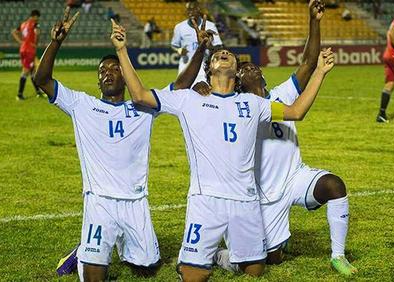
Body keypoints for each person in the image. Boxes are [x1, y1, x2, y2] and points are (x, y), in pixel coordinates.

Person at [111, 17, 334, 281]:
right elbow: (139, 95)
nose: (224, 53)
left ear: (237, 69)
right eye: (218, 55)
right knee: (196, 277)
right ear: (209, 70)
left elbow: (296, 112)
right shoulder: (189, 99)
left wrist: (319, 72)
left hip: (246, 201)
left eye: (228, 54)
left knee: (255, 271)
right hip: (206, 202)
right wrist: (122, 50)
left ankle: (222, 256)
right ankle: (193, 263)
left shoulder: (253, 104)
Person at [52, 10, 210, 279]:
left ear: (126, 77)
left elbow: (182, 84)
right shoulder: (82, 105)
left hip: (136, 201)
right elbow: (42, 81)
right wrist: (56, 42)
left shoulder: (142, 108)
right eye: (103, 70)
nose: (109, 73)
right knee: (94, 279)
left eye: (115, 69)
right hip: (99, 201)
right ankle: (85, 251)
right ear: (98, 79)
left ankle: (112, 246)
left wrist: (200, 49)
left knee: (147, 268)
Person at [210, 0, 357, 277]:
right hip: (263, 194)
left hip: (294, 177)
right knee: (266, 261)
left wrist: (314, 21)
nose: (248, 69)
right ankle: (222, 255)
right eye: (242, 71)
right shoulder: (239, 109)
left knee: (334, 185)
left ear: (262, 74)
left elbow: (308, 62)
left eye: (252, 67)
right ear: (239, 84)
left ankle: (338, 256)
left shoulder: (280, 94)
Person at [171, 0, 222, 84]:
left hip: (204, 67)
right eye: (188, 10)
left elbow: (219, 47)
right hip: (185, 67)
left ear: (198, 10)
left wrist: (209, 46)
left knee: (205, 94)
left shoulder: (210, 26)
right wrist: (179, 50)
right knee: (183, 94)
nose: (190, 12)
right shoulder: (179, 27)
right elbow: (174, 45)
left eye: (193, 9)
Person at [11, 9, 43, 100]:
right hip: (29, 50)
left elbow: (14, 32)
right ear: (35, 16)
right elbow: (37, 34)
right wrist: (36, 42)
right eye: (37, 17)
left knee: (32, 71)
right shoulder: (34, 24)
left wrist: (21, 42)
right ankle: (19, 95)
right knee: (26, 71)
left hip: (23, 49)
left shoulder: (23, 24)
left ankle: (38, 92)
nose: (37, 20)